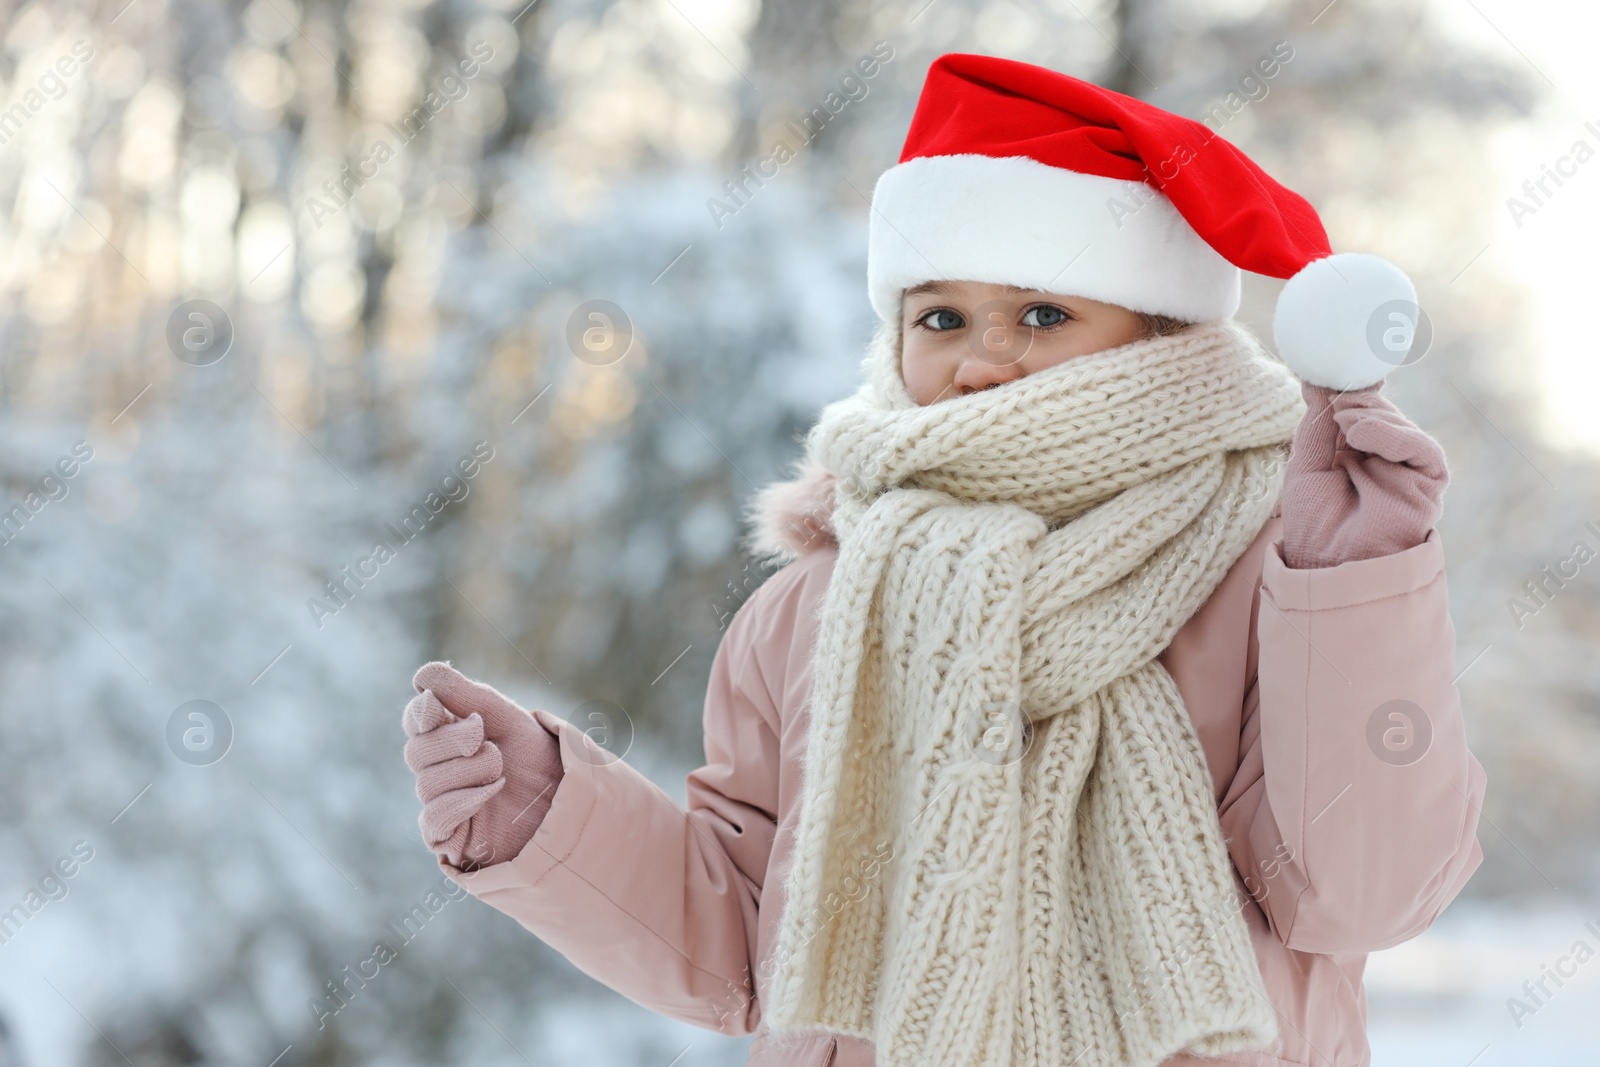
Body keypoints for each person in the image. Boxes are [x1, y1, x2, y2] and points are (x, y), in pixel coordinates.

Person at [401, 53, 1486, 1067]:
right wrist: (554, 813)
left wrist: (1355, 589)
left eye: (1044, 311)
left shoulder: (1275, 570)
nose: (982, 357)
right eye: (943, 315)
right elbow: (751, 947)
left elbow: (1358, 895)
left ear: (1163, 333)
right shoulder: (815, 607)